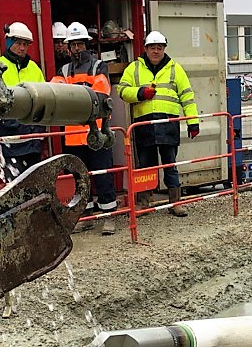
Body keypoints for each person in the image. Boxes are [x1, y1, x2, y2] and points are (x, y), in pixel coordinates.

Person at [118, 30, 199, 217]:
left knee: (170, 164)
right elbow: (122, 90)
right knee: (146, 165)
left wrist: (193, 123)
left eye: (159, 48)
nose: (156, 51)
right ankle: (145, 202)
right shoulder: (134, 68)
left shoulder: (174, 68)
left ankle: (175, 202)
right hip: (144, 125)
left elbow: (187, 97)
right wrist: (140, 93)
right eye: (152, 47)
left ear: (164, 49)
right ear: (146, 49)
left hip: (168, 125)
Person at [51, 22, 117, 235]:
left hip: (96, 133)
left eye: (80, 44)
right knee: (80, 178)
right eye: (73, 44)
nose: (77, 48)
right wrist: (80, 92)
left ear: (86, 45)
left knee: (102, 174)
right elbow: (55, 93)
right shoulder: (63, 70)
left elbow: (101, 92)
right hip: (73, 135)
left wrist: (73, 93)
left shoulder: (99, 66)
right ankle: (85, 216)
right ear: (69, 47)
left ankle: (109, 217)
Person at [0, 21, 45, 181]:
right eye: (18, 43)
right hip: (9, 141)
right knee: (15, 188)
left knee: (34, 187)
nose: (22, 48)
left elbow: (45, 99)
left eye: (25, 44)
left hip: (33, 141)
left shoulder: (34, 68)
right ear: (9, 42)